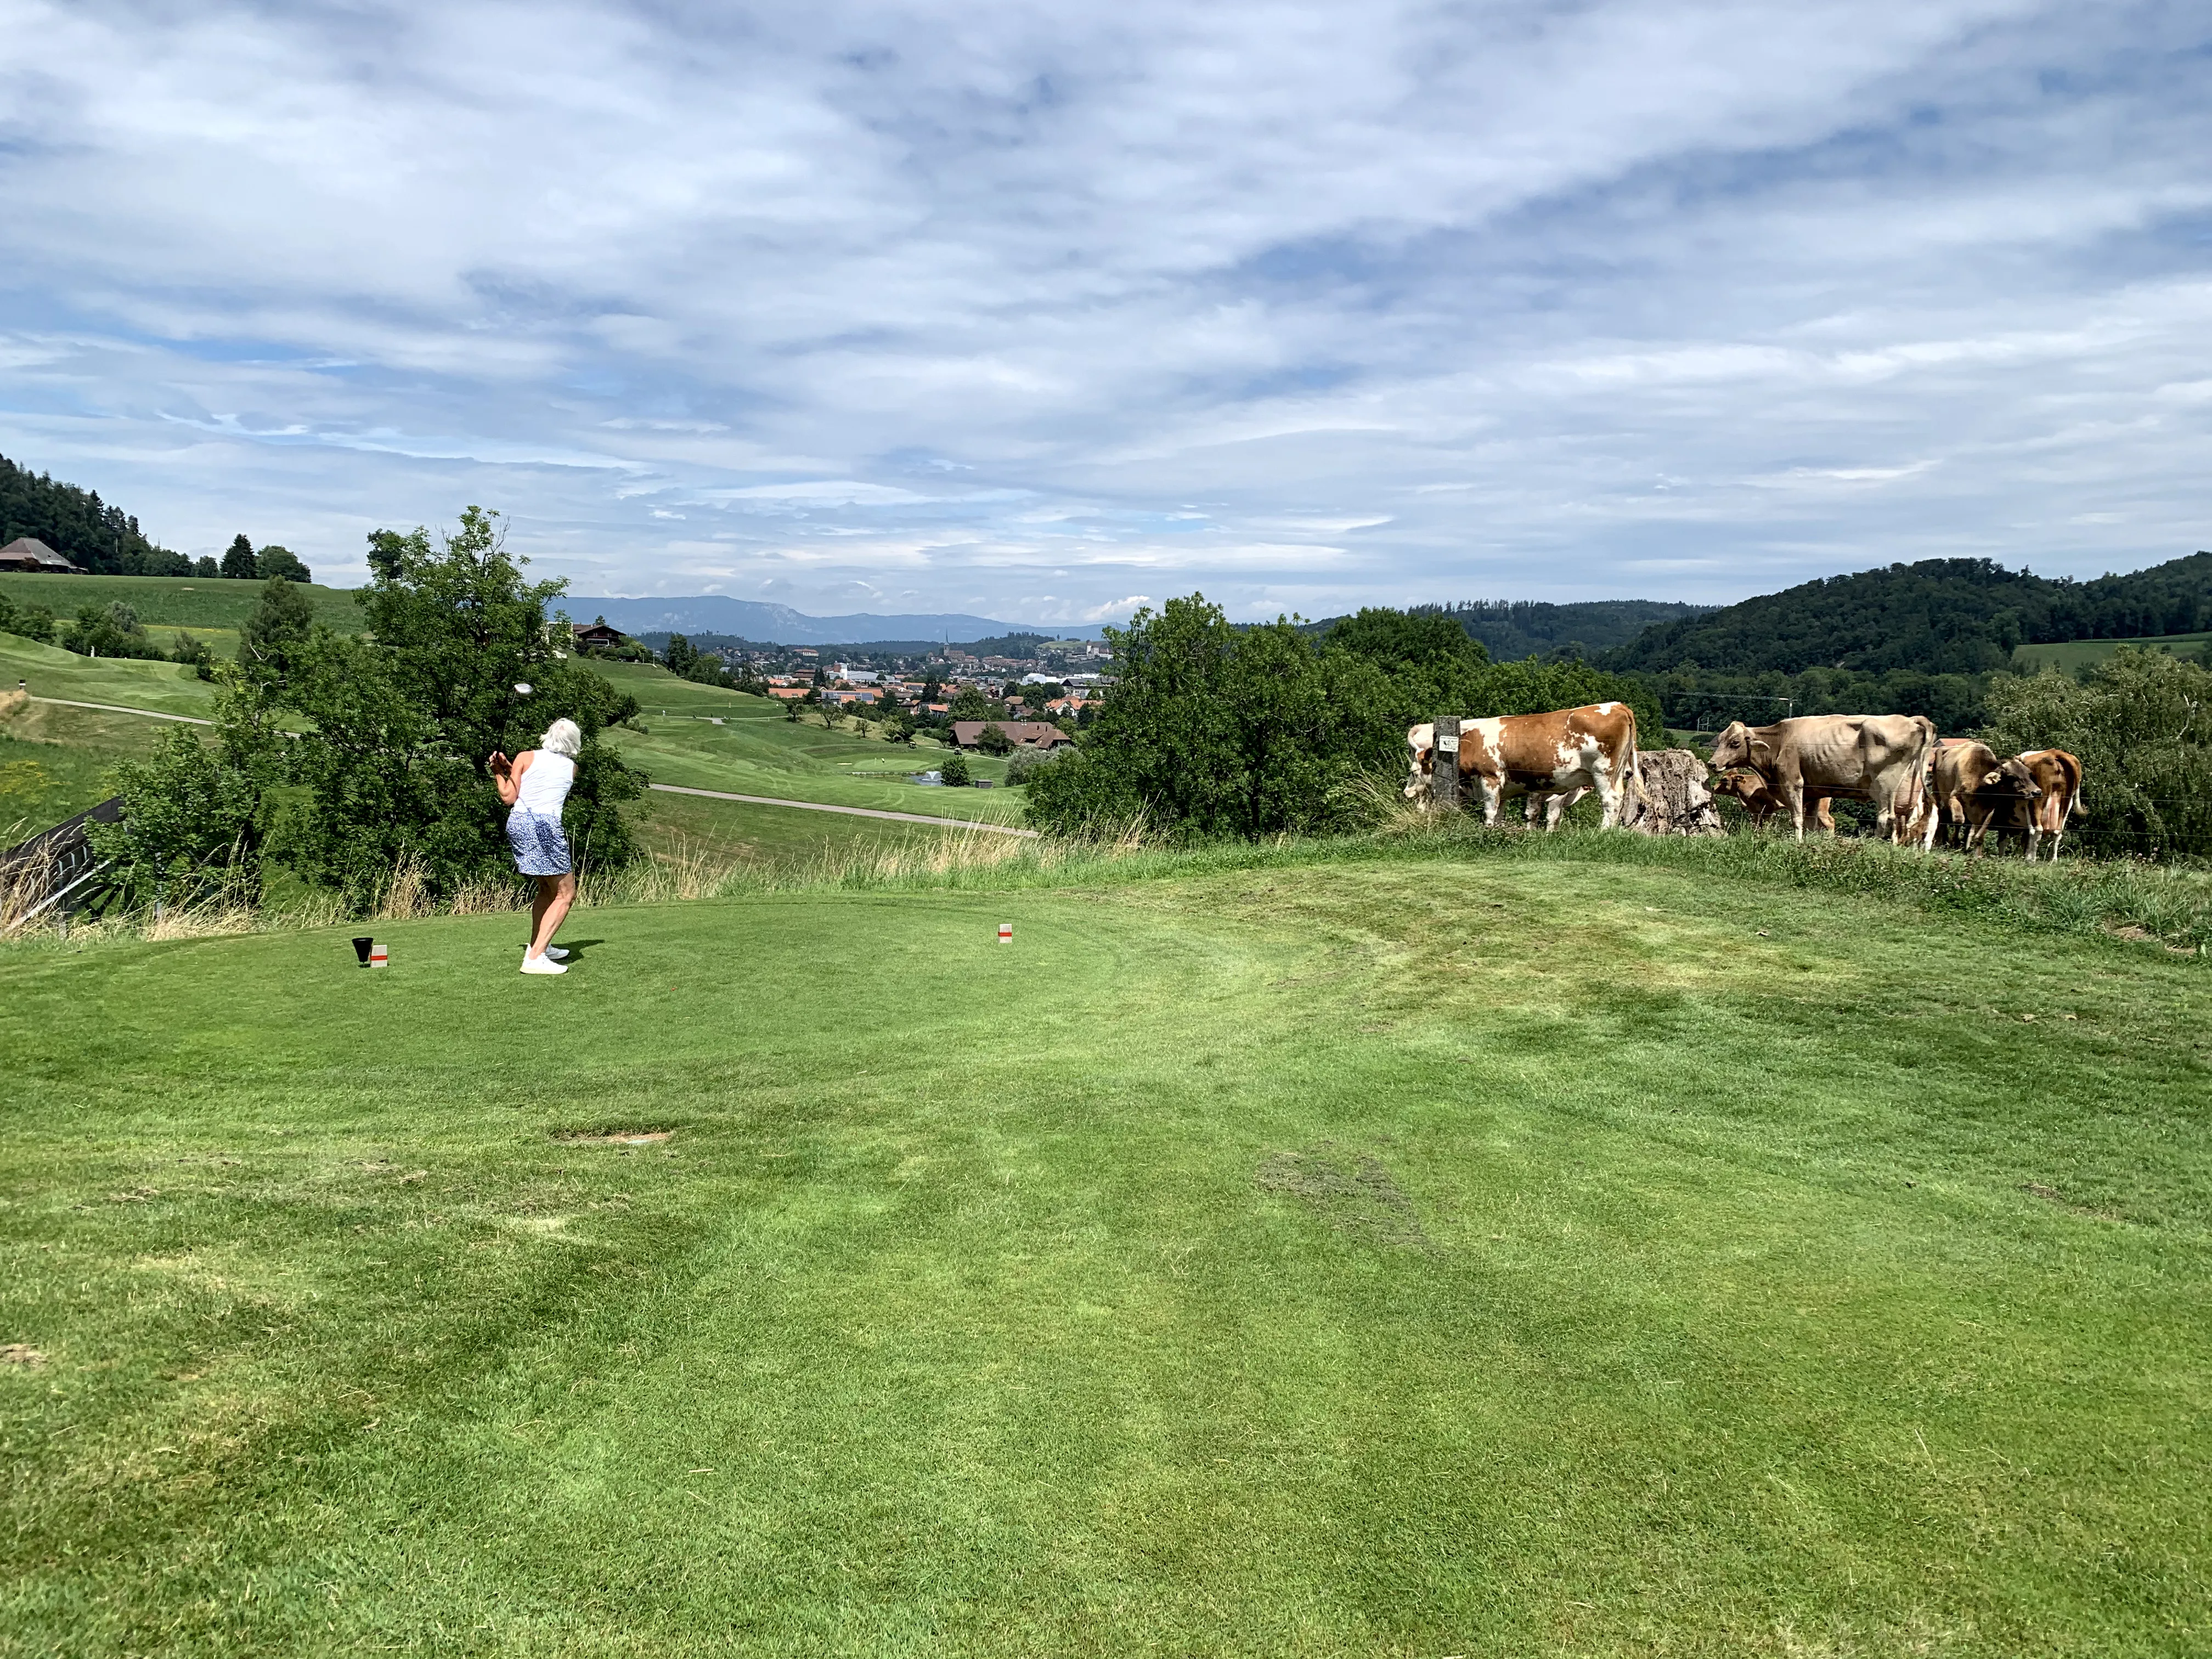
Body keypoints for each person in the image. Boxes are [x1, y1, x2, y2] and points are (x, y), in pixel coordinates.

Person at [491, 718, 581, 974]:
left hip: (519, 823)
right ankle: (535, 957)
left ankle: (539, 944)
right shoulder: (572, 768)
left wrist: (502, 771)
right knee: (566, 893)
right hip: (546, 826)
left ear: (548, 736)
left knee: (547, 888)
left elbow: (509, 797)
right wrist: (508, 770)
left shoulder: (524, 757)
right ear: (574, 743)